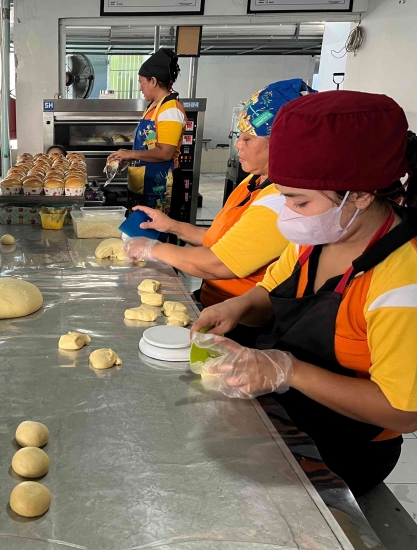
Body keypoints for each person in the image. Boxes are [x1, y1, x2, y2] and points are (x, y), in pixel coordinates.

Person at [191, 91, 417, 496]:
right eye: (283, 195)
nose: (287, 213)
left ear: (361, 195)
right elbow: (273, 294)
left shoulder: (403, 281)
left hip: (346, 448)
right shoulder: (317, 233)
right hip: (282, 413)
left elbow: (403, 411)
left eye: (299, 200)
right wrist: (239, 305)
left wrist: (288, 370)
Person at [123, 80, 314, 342]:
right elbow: (219, 238)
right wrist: (171, 226)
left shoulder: (283, 200)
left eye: (247, 138)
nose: (238, 145)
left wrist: (152, 249)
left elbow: (218, 264)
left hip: (241, 322)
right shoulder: (254, 181)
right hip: (213, 304)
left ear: (281, 144)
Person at [107, 48, 185, 211]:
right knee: (141, 233)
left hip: (163, 186)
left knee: (158, 235)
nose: (141, 88)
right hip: (146, 182)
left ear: (153, 81)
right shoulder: (153, 107)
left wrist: (129, 154)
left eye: (141, 82)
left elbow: (165, 153)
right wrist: (127, 159)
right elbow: (148, 146)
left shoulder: (170, 110)